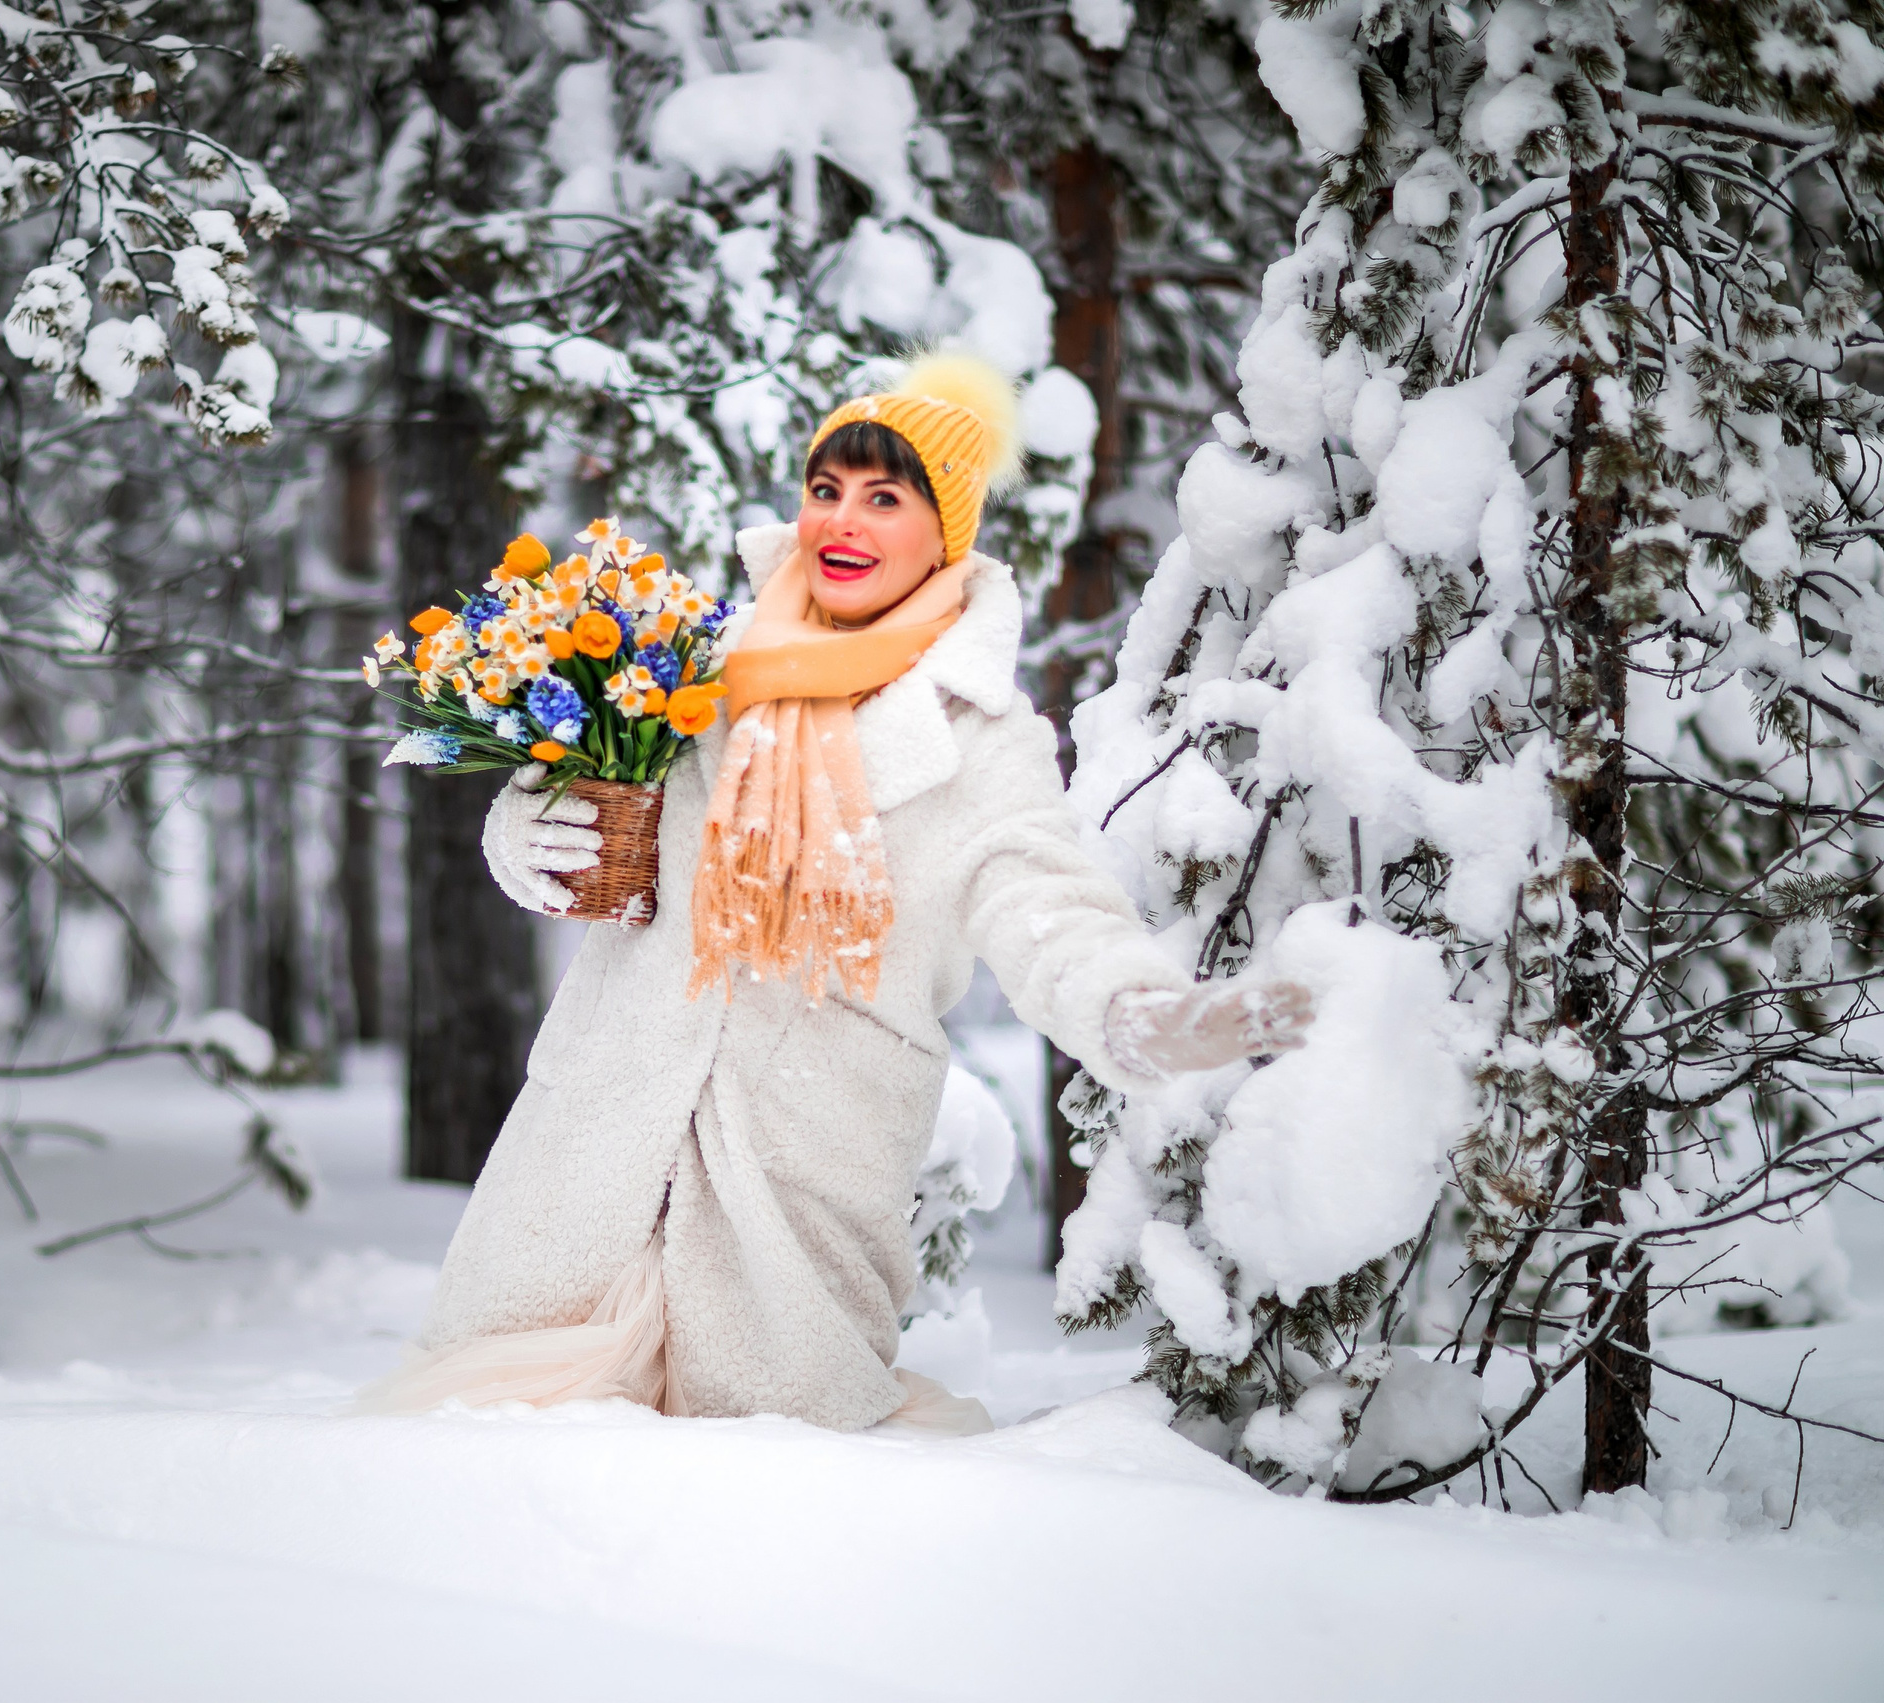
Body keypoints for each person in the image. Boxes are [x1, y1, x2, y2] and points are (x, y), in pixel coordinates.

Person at [356, 351, 1312, 1435]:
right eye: (826, 490)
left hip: (798, 1165)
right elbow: (589, 816)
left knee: (780, 1497)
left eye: (884, 497)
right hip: (598, 1149)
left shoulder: (976, 736)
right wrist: (525, 830)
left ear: (942, 531)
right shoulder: (699, 671)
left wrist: (1137, 1011)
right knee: (487, 1455)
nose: (842, 521)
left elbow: (1043, 905)